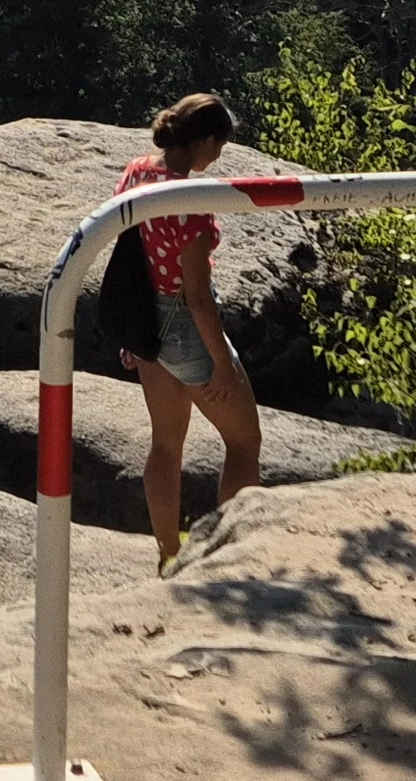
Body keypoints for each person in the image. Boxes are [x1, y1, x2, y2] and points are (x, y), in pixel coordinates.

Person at [118, 92, 262, 570]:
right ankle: (228, 559)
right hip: (185, 327)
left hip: (145, 323)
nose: (219, 155)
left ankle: (168, 555)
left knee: (165, 445)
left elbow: (130, 257)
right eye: (218, 144)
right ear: (202, 140)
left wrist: (131, 333)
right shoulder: (193, 206)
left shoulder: (136, 172)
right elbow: (198, 298)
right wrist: (222, 364)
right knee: (244, 443)